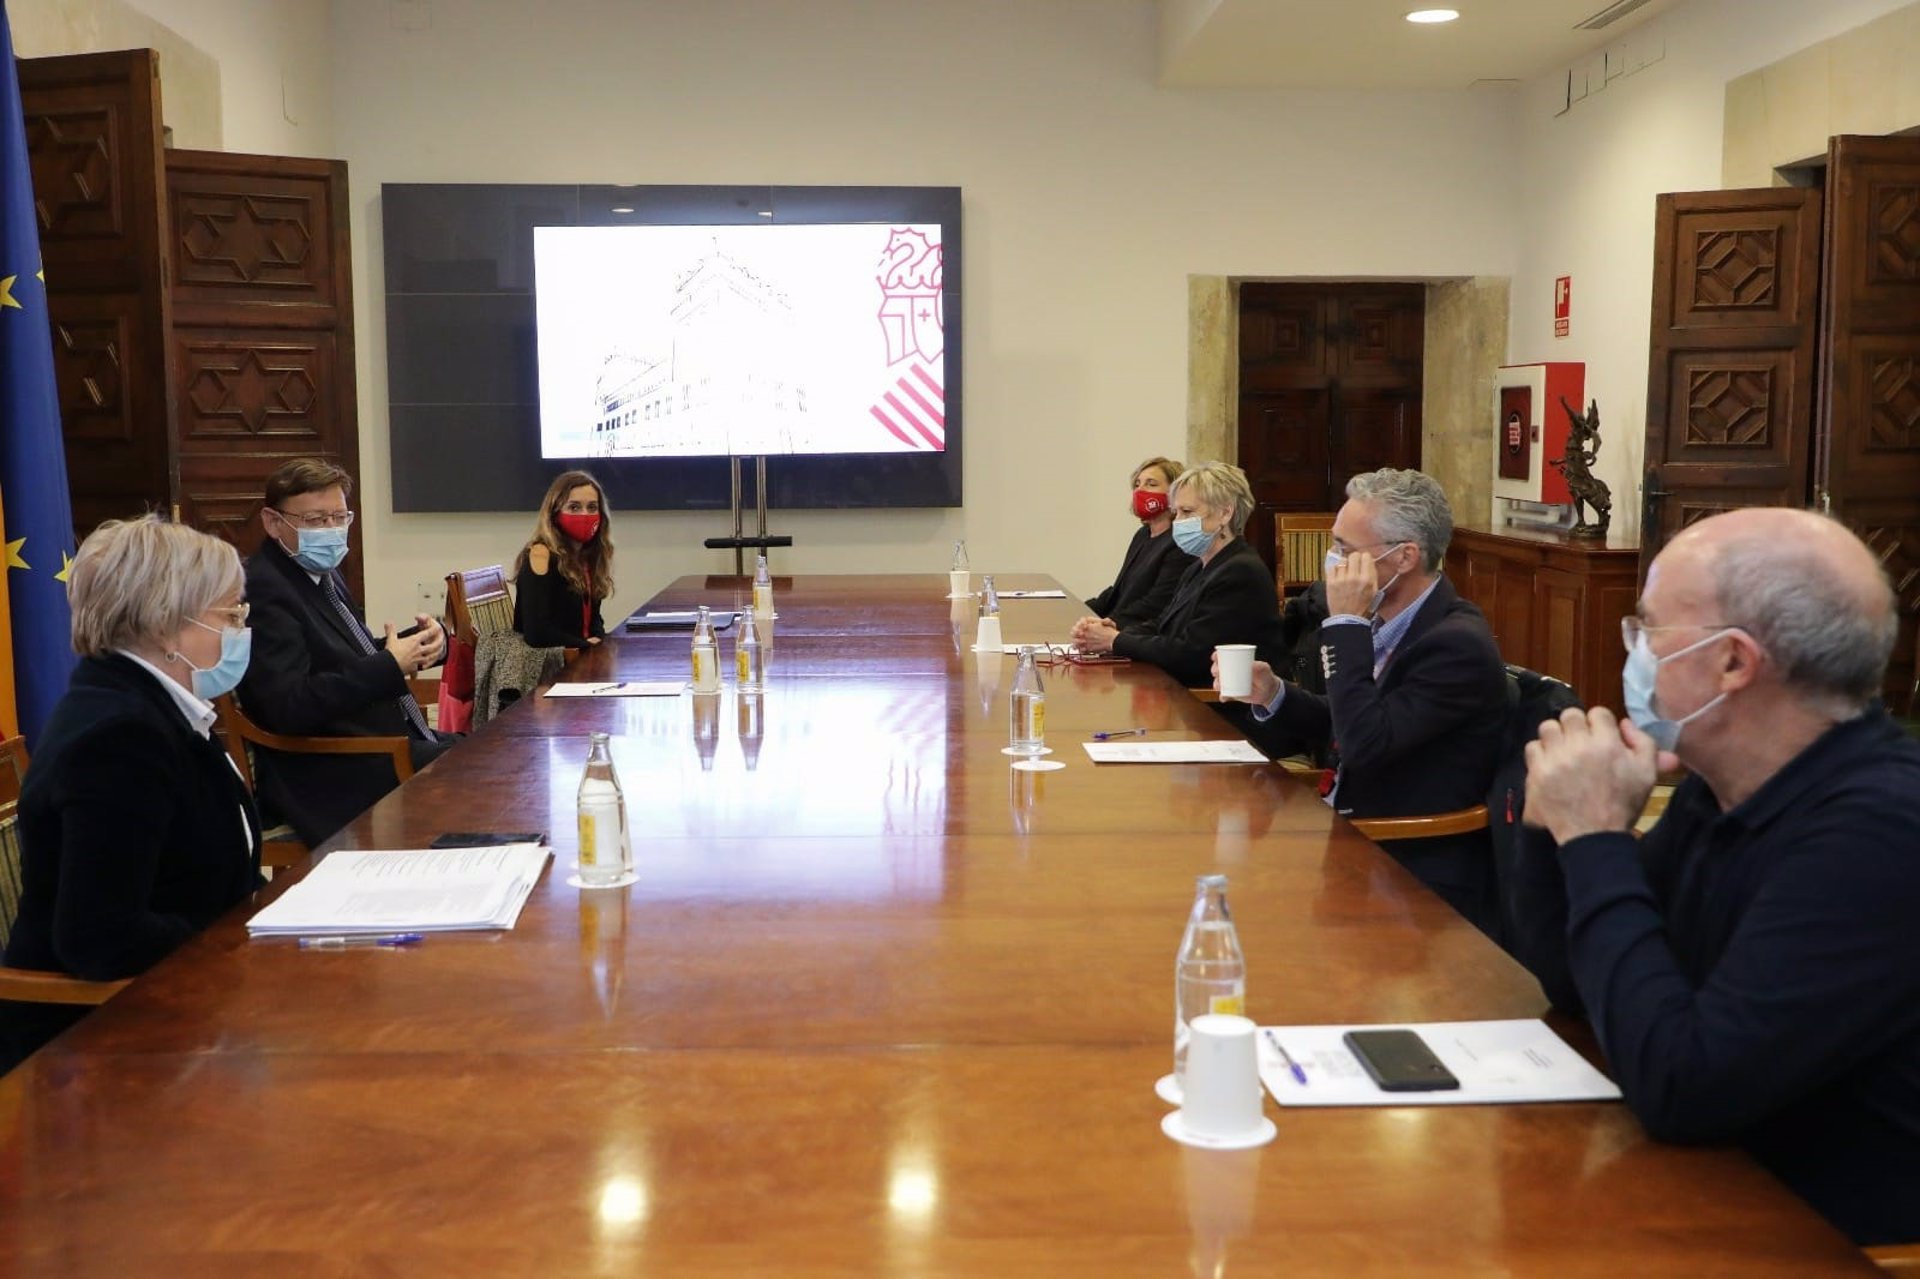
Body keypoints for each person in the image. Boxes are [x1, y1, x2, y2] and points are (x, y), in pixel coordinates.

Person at [1515, 508, 1920, 1246]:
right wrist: (1555, 831)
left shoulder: (1882, 829)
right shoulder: (1721, 785)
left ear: (1733, 662)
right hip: (1699, 1190)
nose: (1633, 653)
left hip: (1815, 1239)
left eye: (1647, 630)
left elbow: (1685, 1086)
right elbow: (1581, 985)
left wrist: (1599, 837)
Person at [1, 518, 263, 1070]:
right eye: (230, 614)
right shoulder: (120, 736)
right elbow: (99, 936)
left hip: (183, 998)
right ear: (167, 627)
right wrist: (229, 945)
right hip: (99, 1045)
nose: (242, 629)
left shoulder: (150, 706)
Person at [1219, 468, 1507, 930]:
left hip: (1406, 867)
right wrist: (1275, 693)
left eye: (1347, 552)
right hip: (1351, 833)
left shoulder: (1455, 644)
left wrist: (1346, 626)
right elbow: (1353, 718)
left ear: (1404, 557)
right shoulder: (1389, 618)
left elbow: (1364, 744)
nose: (1333, 562)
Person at [239, 458, 453, 847]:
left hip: (378, 743)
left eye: (339, 518)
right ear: (272, 522)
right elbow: (288, 706)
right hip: (330, 769)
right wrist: (389, 665)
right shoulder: (266, 588)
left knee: (496, 750)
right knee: (481, 768)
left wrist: (424, 644)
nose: (331, 531)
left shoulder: (321, 572)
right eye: (315, 521)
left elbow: (348, 653)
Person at [1070, 461, 1284, 690]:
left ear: (1225, 513)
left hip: (1225, 707)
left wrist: (1115, 641)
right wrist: (1108, 632)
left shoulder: (1240, 571)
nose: (1179, 522)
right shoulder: (1200, 566)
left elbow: (1190, 653)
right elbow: (1163, 625)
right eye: (1176, 512)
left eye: (1187, 512)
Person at [1083, 456, 1188, 631]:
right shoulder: (1143, 534)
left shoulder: (1179, 542)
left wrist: (1110, 624)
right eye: (1137, 484)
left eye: (1151, 484)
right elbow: (1121, 589)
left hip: (1138, 632)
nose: (1140, 491)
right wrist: (1082, 611)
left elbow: (1157, 602)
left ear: (1174, 493)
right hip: (1118, 627)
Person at [514, 470, 614, 649]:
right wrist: (584, 645)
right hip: (550, 665)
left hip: (580, 657)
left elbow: (594, 620)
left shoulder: (588, 556)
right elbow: (536, 633)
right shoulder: (540, 554)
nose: (584, 514)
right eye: (574, 507)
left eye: (592, 507)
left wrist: (600, 641)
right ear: (555, 513)